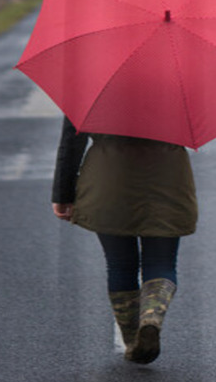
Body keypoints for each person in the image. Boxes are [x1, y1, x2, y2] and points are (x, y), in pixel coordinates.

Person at [51, 116, 198, 364]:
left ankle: (132, 340)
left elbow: (71, 142)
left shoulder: (92, 84)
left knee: (120, 264)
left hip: (108, 176)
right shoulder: (181, 82)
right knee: (161, 262)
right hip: (167, 175)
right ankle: (151, 317)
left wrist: (62, 193)